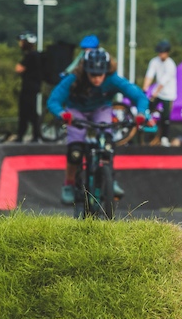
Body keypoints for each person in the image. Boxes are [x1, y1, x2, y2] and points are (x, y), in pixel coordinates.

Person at [47, 48, 152, 204]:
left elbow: (139, 96)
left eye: (100, 75)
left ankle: (110, 178)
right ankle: (69, 184)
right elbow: (53, 100)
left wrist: (142, 113)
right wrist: (63, 114)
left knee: (107, 142)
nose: (97, 79)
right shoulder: (74, 79)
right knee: (75, 151)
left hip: (100, 109)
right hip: (76, 110)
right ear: (85, 71)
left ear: (106, 71)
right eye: (92, 75)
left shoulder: (113, 79)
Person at [143, 39, 178, 146]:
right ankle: (145, 128)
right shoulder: (154, 61)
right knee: (147, 108)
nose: (160, 54)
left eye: (162, 52)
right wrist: (145, 88)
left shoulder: (171, 65)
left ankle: (164, 138)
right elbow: (150, 75)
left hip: (168, 94)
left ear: (167, 53)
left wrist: (155, 92)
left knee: (165, 117)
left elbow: (163, 82)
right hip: (157, 92)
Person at [14, 32, 43, 142]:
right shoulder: (35, 55)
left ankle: (35, 135)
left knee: (29, 111)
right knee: (26, 112)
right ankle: (23, 134)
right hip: (33, 87)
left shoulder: (31, 55)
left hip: (29, 87)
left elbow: (18, 68)